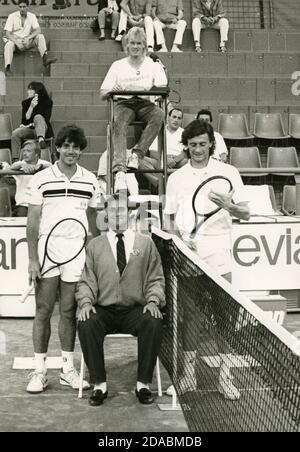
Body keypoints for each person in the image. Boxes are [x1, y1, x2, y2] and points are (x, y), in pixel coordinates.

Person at [164, 119, 249, 400]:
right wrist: (178, 240)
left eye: (202, 144)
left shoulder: (229, 172)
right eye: (193, 145)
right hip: (189, 257)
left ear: (211, 143)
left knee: (226, 318)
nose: (198, 149)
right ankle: (189, 376)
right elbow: (168, 218)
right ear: (186, 146)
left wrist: (230, 206)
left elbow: (245, 214)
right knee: (191, 317)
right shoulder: (176, 178)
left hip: (220, 257)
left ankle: (226, 377)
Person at [24, 125, 99, 394]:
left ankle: (67, 369)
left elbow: (93, 224)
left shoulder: (91, 180)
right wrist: (33, 260)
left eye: (75, 147)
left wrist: (92, 258)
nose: (71, 151)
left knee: (68, 311)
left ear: (81, 150)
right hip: (48, 249)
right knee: (43, 310)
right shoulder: (41, 179)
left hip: (76, 252)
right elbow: (32, 224)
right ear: (57, 148)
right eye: (66, 146)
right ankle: (39, 371)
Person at [76, 193, 165, 406]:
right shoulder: (95, 246)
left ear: (130, 214)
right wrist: (86, 302)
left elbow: (156, 278)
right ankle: (99, 385)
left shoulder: (146, 244)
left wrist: (153, 301)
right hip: (104, 310)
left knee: (153, 321)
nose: (117, 215)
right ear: (106, 214)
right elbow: (86, 281)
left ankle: (143, 384)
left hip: (134, 310)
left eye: (122, 210)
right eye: (113, 211)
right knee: (86, 322)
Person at [100, 27, 167, 193]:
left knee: (159, 114)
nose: (135, 46)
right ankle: (120, 170)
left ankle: (137, 155)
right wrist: (111, 90)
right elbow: (102, 93)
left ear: (144, 46)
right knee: (119, 120)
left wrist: (148, 89)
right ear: (127, 45)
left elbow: (162, 86)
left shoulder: (152, 65)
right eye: (132, 43)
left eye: (139, 43)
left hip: (145, 104)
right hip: (125, 103)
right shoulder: (118, 65)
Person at [3, 0, 57, 76]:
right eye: (20, 7)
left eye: (24, 7)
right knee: (8, 45)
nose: (22, 9)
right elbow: (7, 33)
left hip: (27, 42)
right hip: (15, 43)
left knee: (40, 36)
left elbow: (38, 30)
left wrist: (29, 38)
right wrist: (17, 43)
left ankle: (45, 59)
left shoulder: (32, 16)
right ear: (18, 7)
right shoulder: (12, 16)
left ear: (27, 7)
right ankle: (7, 69)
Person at [139, 107, 187, 189]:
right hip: (159, 160)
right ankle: (158, 182)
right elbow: (152, 152)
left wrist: (175, 160)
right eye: (174, 117)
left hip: (178, 162)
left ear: (181, 120)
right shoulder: (159, 130)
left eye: (179, 118)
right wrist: (164, 160)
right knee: (139, 159)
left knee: (189, 162)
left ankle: (164, 179)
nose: (176, 120)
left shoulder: (185, 132)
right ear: (168, 117)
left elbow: (187, 152)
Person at [11, 81, 54, 160]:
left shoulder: (47, 102)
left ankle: (41, 139)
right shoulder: (25, 103)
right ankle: (15, 159)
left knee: (38, 117)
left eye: (31, 89)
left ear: (37, 91)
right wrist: (31, 107)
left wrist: (30, 124)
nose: (28, 91)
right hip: (31, 130)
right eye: (28, 89)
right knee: (15, 133)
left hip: (43, 130)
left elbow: (45, 118)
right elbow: (24, 122)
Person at [9, 139, 51, 217]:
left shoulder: (44, 164)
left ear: (36, 153)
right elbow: (11, 167)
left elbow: (52, 166)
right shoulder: (19, 164)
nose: (25, 154)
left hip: (41, 205)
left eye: (28, 151)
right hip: (23, 206)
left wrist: (39, 167)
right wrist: (22, 165)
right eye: (24, 151)